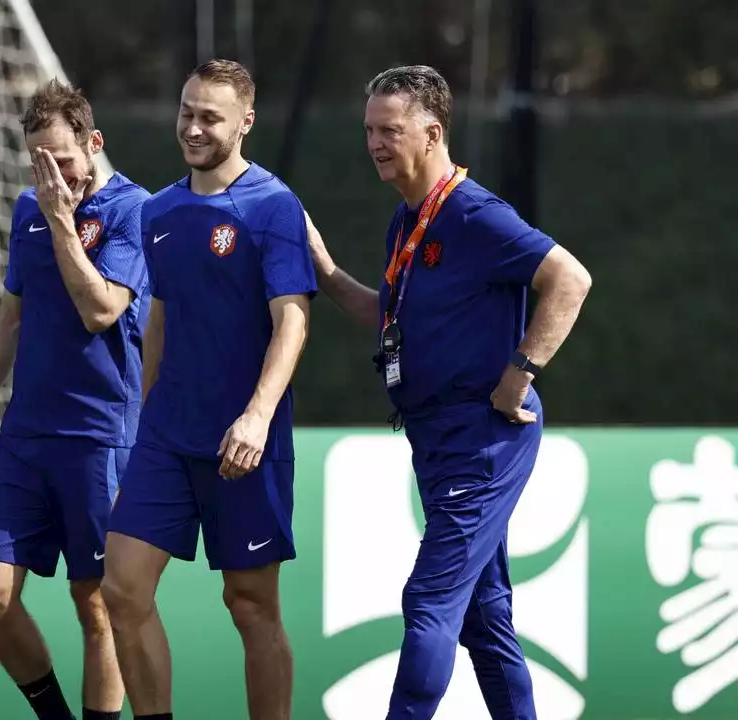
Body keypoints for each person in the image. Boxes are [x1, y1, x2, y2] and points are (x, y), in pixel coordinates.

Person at [303, 65, 592, 719]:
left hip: (482, 436)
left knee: (429, 600)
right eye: (370, 129)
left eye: (390, 130)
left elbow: (570, 279)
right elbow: (394, 318)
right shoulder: (407, 223)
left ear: (432, 133)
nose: (375, 142)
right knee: (483, 618)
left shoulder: (475, 213)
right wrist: (323, 271)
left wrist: (522, 368)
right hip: (436, 439)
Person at [99, 59, 317, 720]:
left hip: (244, 440)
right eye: (187, 112)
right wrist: (144, 410)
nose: (193, 127)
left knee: (250, 606)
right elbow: (161, 314)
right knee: (121, 588)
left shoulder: (273, 205)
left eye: (210, 117)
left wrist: (256, 416)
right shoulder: (159, 211)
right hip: (167, 435)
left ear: (246, 123)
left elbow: (294, 320)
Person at [0, 79, 149, 720]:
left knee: (96, 603)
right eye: (38, 162)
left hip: (100, 437)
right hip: (26, 435)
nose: (51, 176)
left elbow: (101, 310)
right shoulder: (25, 209)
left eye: (62, 160)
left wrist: (63, 220)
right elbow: (10, 317)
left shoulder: (132, 211)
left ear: (93, 144)